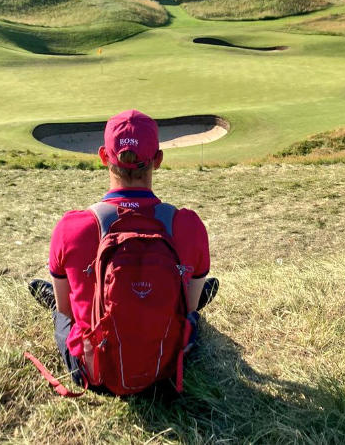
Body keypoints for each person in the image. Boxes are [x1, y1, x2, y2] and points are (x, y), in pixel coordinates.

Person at [27, 109, 218, 393]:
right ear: (158, 160)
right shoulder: (188, 225)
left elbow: (69, 311)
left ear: (104, 157)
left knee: (61, 315)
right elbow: (189, 309)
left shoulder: (71, 227)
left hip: (94, 374)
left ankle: (49, 301)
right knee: (192, 308)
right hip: (165, 369)